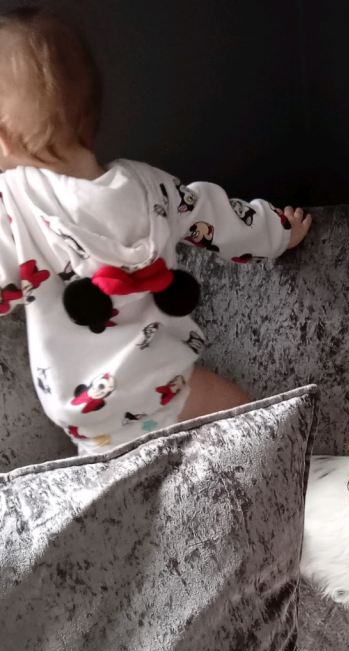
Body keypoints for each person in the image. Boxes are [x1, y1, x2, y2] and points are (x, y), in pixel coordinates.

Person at [0, 7, 312, 453]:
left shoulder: (11, 204)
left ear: (4, 140)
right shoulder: (152, 187)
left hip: (89, 421)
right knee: (260, 433)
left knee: (132, 501)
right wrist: (281, 232)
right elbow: (220, 219)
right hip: (168, 386)